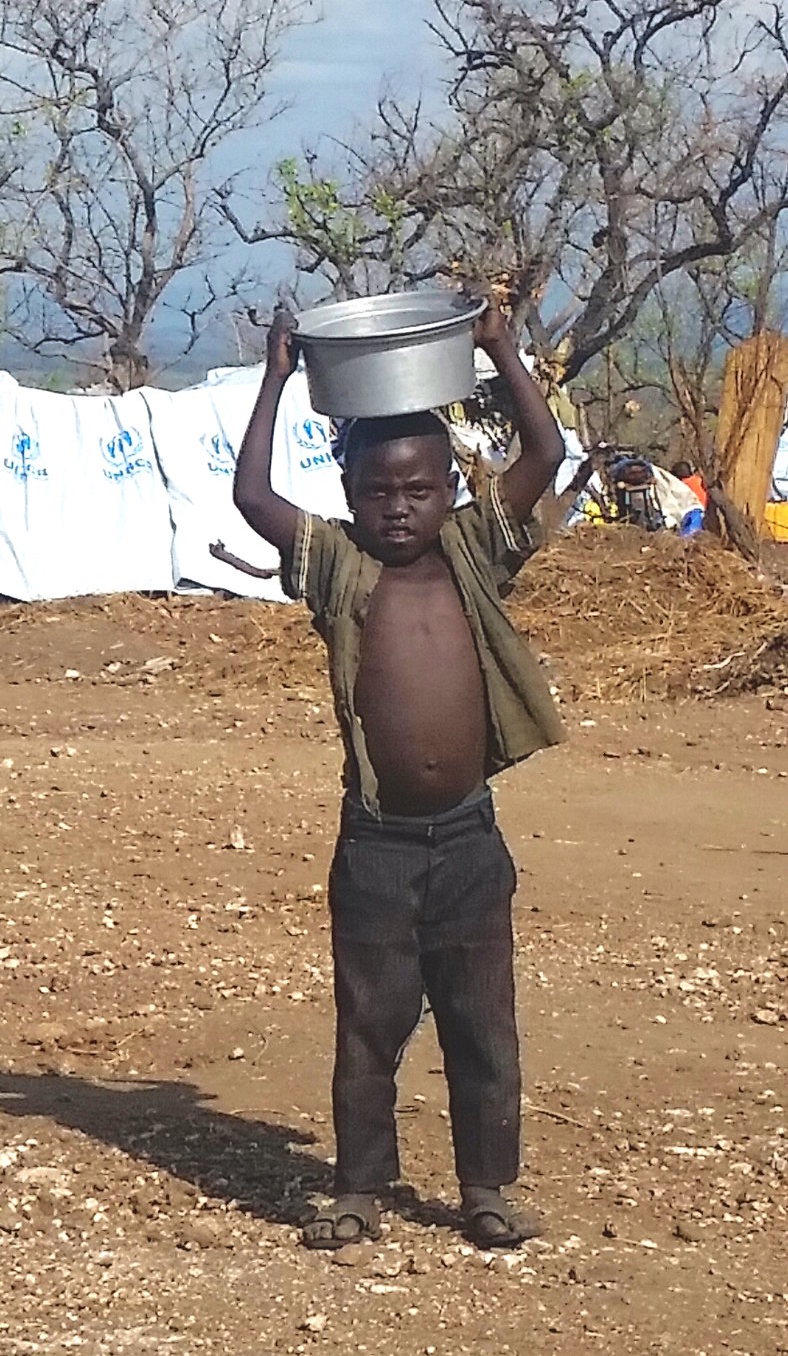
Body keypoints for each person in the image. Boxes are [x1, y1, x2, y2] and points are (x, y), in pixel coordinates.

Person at [233, 300, 566, 1254]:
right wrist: (276, 376)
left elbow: (542, 458)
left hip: (468, 836)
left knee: (483, 1025)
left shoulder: (471, 553)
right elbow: (253, 496)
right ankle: (360, 1190)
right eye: (379, 491)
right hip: (376, 843)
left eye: (419, 489)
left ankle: (485, 1188)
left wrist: (499, 351)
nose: (400, 506)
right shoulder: (337, 567)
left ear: (448, 490)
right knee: (367, 1027)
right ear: (348, 491)